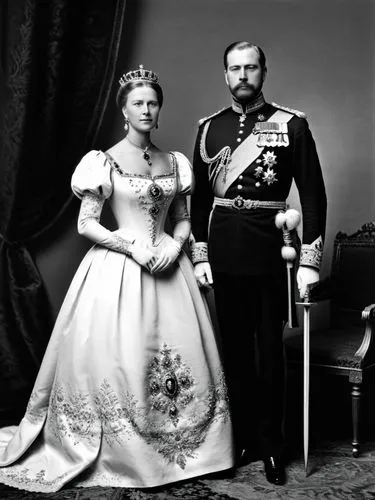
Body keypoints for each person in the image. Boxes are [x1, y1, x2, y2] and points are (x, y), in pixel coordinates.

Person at [0, 65, 234, 493]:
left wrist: (173, 244)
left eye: (153, 103)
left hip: (169, 267)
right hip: (120, 269)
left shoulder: (174, 161)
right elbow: (87, 223)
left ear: (160, 109)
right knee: (122, 356)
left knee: (181, 354)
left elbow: (183, 219)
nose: (147, 110)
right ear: (124, 111)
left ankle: (189, 449)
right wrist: (134, 247)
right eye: (138, 103)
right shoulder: (102, 161)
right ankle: (128, 452)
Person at [190, 42, 327, 486]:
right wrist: (202, 253)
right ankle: (242, 437)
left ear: (263, 71)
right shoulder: (209, 128)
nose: (243, 75)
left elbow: (313, 194)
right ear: (225, 75)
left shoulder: (292, 125)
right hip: (225, 254)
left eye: (251, 67)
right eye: (235, 68)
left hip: (271, 255)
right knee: (233, 353)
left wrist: (308, 260)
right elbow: (200, 202)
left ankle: (272, 445)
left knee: (269, 353)